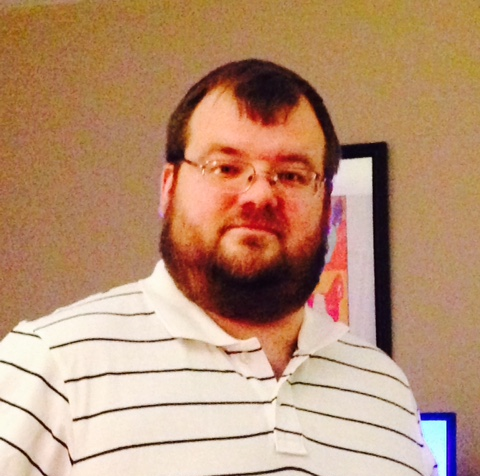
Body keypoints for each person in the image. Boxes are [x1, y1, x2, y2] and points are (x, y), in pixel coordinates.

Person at [0, 59, 437, 476]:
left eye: (292, 174)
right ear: (169, 187)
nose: (259, 195)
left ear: (326, 204)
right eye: (225, 167)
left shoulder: (386, 391)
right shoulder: (49, 368)